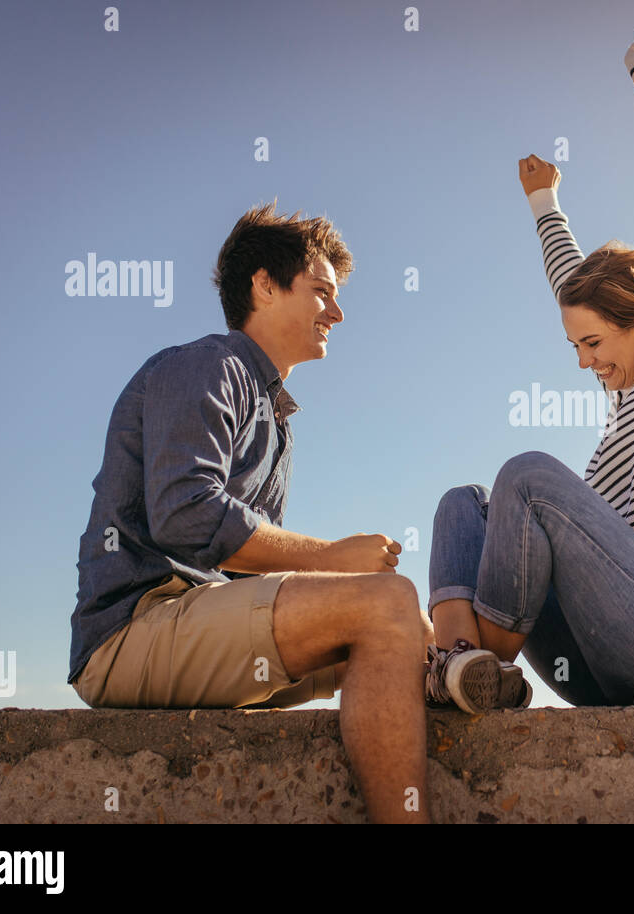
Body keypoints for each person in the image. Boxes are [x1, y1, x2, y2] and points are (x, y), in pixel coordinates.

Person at [68, 203, 438, 823]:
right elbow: (184, 515)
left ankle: (450, 674)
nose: (338, 312)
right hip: (130, 634)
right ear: (264, 286)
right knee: (388, 603)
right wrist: (329, 559)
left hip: (195, 627)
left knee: (411, 644)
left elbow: (242, 576)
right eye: (322, 291)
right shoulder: (209, 365)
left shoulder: (276, 416)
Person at [424, 27, 634, 710]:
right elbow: (571, 285)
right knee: (464, 505)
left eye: (593, 343)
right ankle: (459, 673)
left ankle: (467, 657)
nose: (584, 361)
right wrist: (545, 204)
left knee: (528, 476)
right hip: (604, 664)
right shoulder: (621, 416)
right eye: (576, 346)